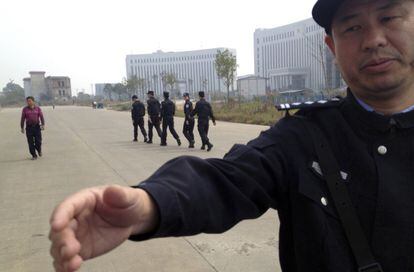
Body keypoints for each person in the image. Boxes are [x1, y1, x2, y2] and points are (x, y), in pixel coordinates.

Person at [49, 0, 414, 271]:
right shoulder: (303, 137)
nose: (373, 40)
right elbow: (228, 179)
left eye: (388, 17)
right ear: (332, 47)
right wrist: (148, 205)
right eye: (352, 27)